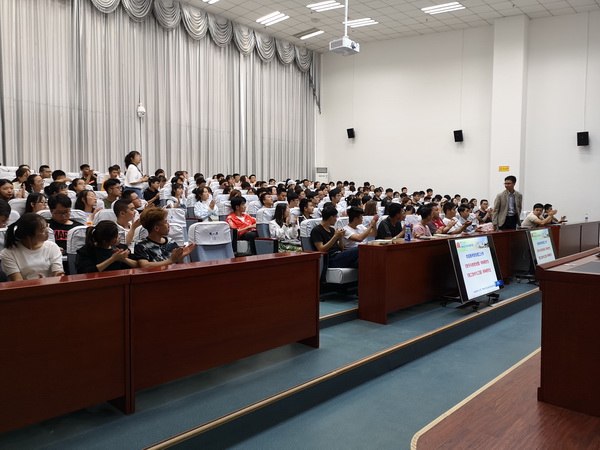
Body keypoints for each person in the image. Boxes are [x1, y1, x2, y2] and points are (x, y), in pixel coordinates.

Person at [0, 213, 64, 281]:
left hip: (51, 285)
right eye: (42, 230)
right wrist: (38, 283)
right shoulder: (8, 253)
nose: (47, 231)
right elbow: (18, 281)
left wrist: (57, 277)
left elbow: (58, 272)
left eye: (47, 226)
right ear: (29, 235)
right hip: (26, 287)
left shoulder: (52, 247)